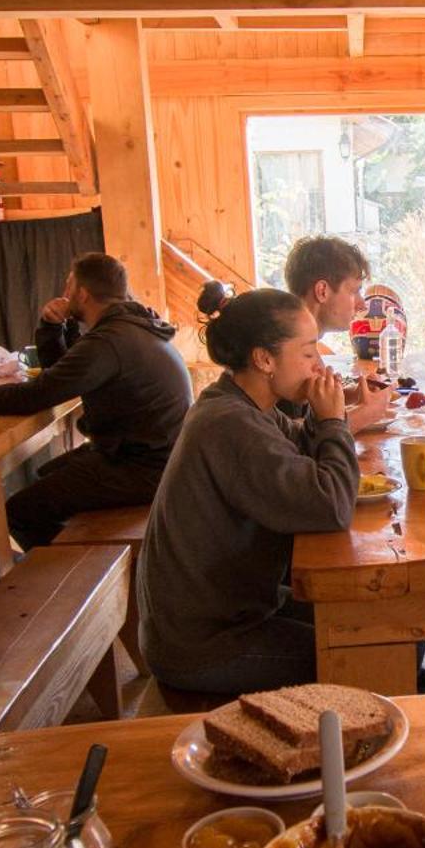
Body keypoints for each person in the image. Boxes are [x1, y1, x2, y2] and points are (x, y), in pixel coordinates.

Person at [137, 288, 357, 696]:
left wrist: (332, 416)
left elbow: (291, 449)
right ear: (264, 359)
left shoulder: (236, 402)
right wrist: (333, 424)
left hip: (234, 610)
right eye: (308, 353)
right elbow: (331, 505)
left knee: (377, 621)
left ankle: (406, 688)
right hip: (205, 644)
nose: (319, 364)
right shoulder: (229, 424)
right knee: (369, 648)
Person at [0, 252, 192, 549]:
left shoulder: (110, 341)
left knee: (20, 512)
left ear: (83, 294)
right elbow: (64, 374)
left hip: (144, 468)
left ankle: (72, 576)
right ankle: (72, 560)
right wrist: (53, 327)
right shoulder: (131, 328)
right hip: (158, 458)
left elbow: (35, 395)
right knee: (48, 475)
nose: (64, 294)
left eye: (69, 287)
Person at [281, 235, 393, 435]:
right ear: (322, 291)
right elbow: (290, 443)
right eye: (354, 291)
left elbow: (307, 411)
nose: (362, 304)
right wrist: (365, 414)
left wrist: (351, 395)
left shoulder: (303, 344)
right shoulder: (285, 352)